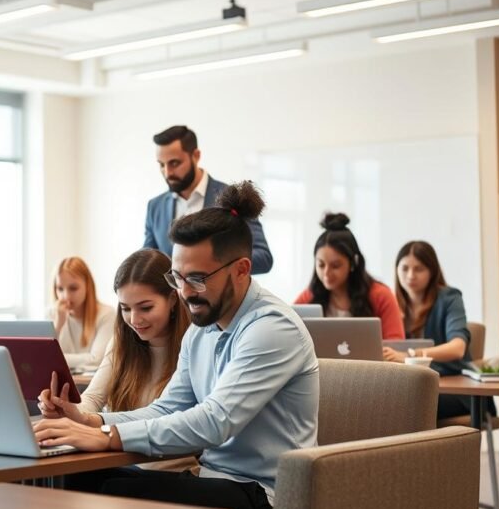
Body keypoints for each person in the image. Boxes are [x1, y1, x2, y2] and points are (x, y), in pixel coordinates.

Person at [35, 181, 319, 509]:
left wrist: (106, 436)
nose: (184, 292)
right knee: (74, 480)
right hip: (214, 481)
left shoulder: (272, 328)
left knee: (114, 497)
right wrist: (90, 420)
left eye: (197, 279)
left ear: (241, 269)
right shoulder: (201, 329)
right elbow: (167, 408)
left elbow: (215, 421)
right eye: (178, 278)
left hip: (266, 497)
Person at [74, 248, 196, 472]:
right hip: (121, 464)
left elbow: (173, 421)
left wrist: (92, 423)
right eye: (125, 308)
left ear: (172, 299)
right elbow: (92, 397)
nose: (134, 319)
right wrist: (73, 414)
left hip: (171, 472)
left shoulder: (194, 345)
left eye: (145, 308)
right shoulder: (122, 343)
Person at [143, 125, 273, 274]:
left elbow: (263, 257)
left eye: (174, 163)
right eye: (161, 165)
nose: (167, 173)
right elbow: (148, 262)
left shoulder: (233, 199)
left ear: (196, 156)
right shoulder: (155, 206)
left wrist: (213, 265)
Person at [383, 240, 479, 419]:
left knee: (405, 403)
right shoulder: (391, 304)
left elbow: (458, 348)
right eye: (404, 268)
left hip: (457, 389)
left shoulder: (450, 298)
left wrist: (411, 355)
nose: (410, 275)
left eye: (419, 269)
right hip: (412, 385)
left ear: (432, 271)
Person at [295, 212, 404, 340]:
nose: (326, 272)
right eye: (321, 265)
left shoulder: (381, 296)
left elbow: (395, 344)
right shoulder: (309, 297)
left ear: (353, 263)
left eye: (335, 266)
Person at [50, 256, 116, 368]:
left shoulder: (107, 314)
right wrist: (58, 325)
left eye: (73, 288)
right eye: (60, 289)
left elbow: (97, 360)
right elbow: (44, 356)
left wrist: (56, 358)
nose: (65, 296)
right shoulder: (52, 313)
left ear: (88, 286)